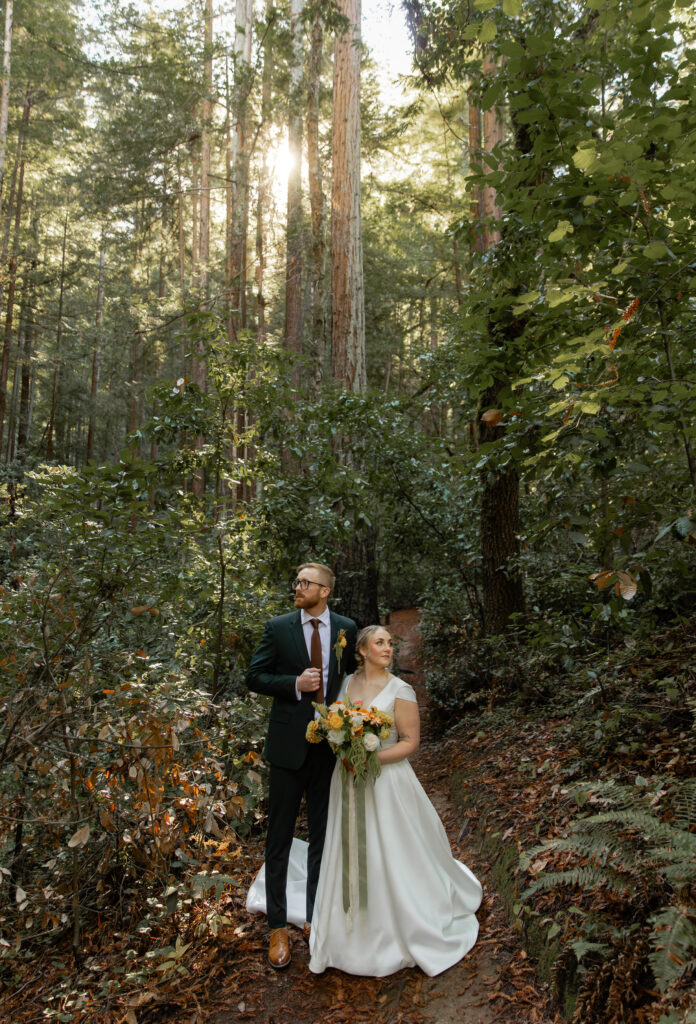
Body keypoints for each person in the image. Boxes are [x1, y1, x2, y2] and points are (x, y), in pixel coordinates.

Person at [247, 623, 482, 978]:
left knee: (389, 847)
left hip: (386, 781)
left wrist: (372, 758)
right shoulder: (345, 685)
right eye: (380, 642)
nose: (388, 648)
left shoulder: (401, 689)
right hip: (346, 780)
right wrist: (342, 746)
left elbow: (409, 741)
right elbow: (332, 724)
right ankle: (348, 924)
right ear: (362, 650)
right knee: (347, 847)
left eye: (390, 643)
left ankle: (397, 920)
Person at [245, 563, 357, 969]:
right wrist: (294, 684)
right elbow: (254, 676)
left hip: (331, 751)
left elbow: (353, 682)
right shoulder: (278, 627)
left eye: (305, 582)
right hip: (288, 749)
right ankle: (277, 925)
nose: (298, 587)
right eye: (296, 581)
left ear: (324, 591)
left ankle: (314, 918)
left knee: (322, 840)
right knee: (278, 838)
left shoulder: (347, 627)